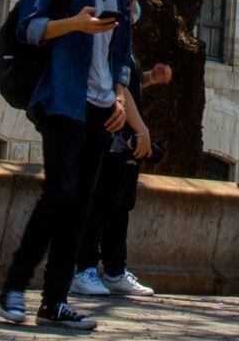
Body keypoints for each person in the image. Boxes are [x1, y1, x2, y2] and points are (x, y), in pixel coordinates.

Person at [0, 0, 152, 332]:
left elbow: (120, 54)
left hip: (104, 110)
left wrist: (122, 99)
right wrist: (76, 24)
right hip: (63, 101)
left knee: (81, 206)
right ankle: (14, 286)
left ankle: (55, 301)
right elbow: (29, 29)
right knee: (60, 195)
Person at [69, 44, 172, 299]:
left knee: (119, 209)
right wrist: (141, 131)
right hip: (109, 139)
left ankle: (115, 270)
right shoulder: (106, 43)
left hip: (123, 144)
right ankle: (85, 269)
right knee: (97, 208)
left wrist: (149, 78)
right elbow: (118, 90)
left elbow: (130, 86)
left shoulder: (126, 46)